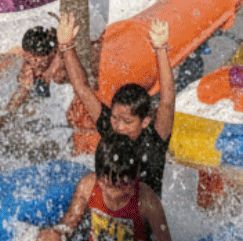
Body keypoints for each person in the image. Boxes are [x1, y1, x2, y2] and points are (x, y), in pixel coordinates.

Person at [59, 12, 174, 196]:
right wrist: (66, 45)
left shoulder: (154, 141)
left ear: (144, 122)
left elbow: (166, 102)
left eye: (127, 122)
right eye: (114, 118)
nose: (119, 127)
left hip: (144, 212)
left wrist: (160, 49)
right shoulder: (111, 130)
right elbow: (82, 88)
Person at [32, 134, 175, 241]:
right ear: (99, 178)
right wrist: (55, 235)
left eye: (126, 186)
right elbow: (68, 225)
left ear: (136, 176)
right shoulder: (88, 186)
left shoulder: (146, 199)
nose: (116, 194)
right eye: (111, 186)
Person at [7, 25, 71, 114]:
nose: (33, 64)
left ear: (52, 52)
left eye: (37, 59)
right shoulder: (29, 61)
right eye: (29, 59)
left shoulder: (60, 69)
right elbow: (18, 97)